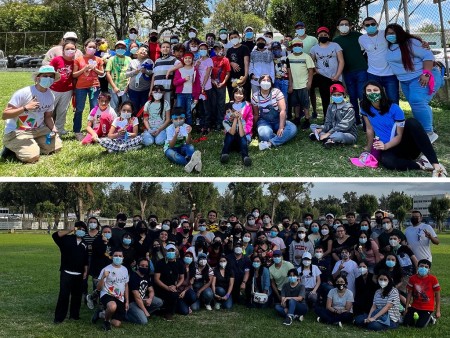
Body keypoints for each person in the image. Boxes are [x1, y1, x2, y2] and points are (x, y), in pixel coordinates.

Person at [360, 81, 447, 176]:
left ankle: (436, 165)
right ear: (365, 93)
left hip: (404, 146)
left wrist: (386, 146)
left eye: (375, 90)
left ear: (381, 91)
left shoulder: (394, 108)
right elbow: (369, 128)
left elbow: (399, 135)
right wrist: (369, 148)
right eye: (369, 90)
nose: (372, 93)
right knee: (387, 162)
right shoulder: (364, 107)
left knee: (411, 122)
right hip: (387, 147)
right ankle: (420, 164)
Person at [384, 23, 438, 141]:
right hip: (404, 80)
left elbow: (428, 56)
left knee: (417, 101)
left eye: (393, 33)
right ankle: (423, 129)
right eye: (388, 33)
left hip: (419, 77)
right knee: (417, 104)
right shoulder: (390, 46)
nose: (390, 36)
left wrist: (426, 74)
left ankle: (429, 133)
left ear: (400, 33)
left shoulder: (410, 42)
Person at [2, 64, 63, 162]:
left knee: (56, 148)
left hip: (38, 129)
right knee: (32, 157)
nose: (48, 78)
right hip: (18, 130)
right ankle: (10, 147)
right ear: (38, 78)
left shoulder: (50, 95)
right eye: (45, 76)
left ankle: (33, 143)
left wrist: (54, 129)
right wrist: (25, 108)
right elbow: (5, 115)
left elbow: (48, 116)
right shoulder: (24, 93)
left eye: (51, 76)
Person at [333, 17, 368, 126]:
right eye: (341, 24)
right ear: (338, 27)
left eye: (346, 24)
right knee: (352, 97)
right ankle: (356, 120)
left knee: (362, 96)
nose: (344, 26)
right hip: (347, 72)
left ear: (351, 26)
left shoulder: (358, 36)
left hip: (361, 69)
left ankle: (366, 121)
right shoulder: (336, 41)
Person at [52, 221, 88, 324]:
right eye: (78, 228)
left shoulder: (85, 243)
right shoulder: (66, 239)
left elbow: (85, 259)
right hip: (66, 272)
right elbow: (55, 235)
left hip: (79, 273)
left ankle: (74, 315)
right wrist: (70, 230)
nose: (80, 231)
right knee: (64, 295)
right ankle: (59, 318)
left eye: (82, 229)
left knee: (77, 296)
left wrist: (85, 270)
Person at [358, 17, 399, 104]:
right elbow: (363, 53)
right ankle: (377, 117)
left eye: (373, 24)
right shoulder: (361, 39)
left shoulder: (385, 33)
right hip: (373, 74)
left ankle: (396, 117)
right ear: (364, 27)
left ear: (377, 24)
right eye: (367, 25)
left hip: (390, 74)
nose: (370, 26)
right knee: (374, 100)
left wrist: (420, 40)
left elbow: (402, 37)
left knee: (393, 100)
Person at [252, 74, 297, 150]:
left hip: (278, 120)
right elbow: (256, 114)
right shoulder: (255, 96)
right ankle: (279, 138)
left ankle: (270, 143)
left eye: (268, 80)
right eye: (263, 80)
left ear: (271, 83)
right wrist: (253, 129)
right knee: (264, 134)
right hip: (264, 122)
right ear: (259, 83)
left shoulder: (276, 92)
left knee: (293, 128)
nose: (266, 82)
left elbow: (282, 110)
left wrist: (281, 127)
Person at [72, 38, 105, 140]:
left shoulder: (99, 60)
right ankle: (77, 131)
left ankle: (93, 130)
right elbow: (74, 74)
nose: (92, 49)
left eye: (94, 47)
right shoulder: (78, 59)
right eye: (90, 47)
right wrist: (84, 69)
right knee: (79, 109)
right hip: (81, 87)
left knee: (94, 109)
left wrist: (94, 68)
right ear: (85, 47)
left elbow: (102, 73)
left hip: (94, 87)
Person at [309, 26, 344, 120]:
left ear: (328, 35)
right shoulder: (314, 49)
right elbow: (311, 63)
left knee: (338, 98)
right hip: (322, 77)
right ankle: (327, 119)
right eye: (321, 35)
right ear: (318, 37)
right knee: (325, 99)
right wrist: (316, 70)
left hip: (336, 77)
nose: (323, 36)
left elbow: (341, 61)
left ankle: (341, 119)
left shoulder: (335, 45)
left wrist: (337, 75)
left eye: (325, 34)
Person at [94, 248, 129, 331]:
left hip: (120, 297)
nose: (118, 257)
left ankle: (101, 314)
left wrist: (127, 301)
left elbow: (126, 285)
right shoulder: (106, 269)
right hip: (107, 294)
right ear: (112, 257)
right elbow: (98, 288)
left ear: (123, 257)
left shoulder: (125, 269)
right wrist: (103, 277)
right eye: (116, 255)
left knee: (117, 323)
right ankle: (106, 322)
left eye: (120, 256)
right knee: (112, 306)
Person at [49, 40, 76, 135]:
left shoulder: (75, 62)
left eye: (72, 49)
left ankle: (59, 129)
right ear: (63, 50)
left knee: (62, 110)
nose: (70, 50)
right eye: (67, 49)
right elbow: (49, 72)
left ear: (75, 50)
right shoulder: (56, 60)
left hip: (67, 90)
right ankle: (47, 128)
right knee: (50, 110)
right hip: (54, 89)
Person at [163, 106, 202, 173]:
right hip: (171, 148)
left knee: (191, 147)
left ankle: (190, 162)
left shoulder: (186, 126)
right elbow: (171, 146)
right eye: (175, 119)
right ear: (172, 120)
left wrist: (189, 133)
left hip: (182, 146)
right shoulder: (169, 129)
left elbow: (188, 143)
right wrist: (175, 134)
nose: (178, 121)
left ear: (184, 118)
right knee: (172, 155)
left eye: (181, 118)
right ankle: (192, 163)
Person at [404, 259, 441, 328]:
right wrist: (406, 308)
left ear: (429, 269)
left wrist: (438, 311)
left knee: (420, 326)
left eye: (426, 267)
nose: (423, 268)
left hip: (427, 307)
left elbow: (437, 295)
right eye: (421, 266)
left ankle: (431, 319)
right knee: (406, 323)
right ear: (418, 267)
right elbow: (409, 294)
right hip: (415, 306)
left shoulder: (433, 279)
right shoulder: (412, 278)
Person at [125, 257, 163, 324]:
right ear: (137, 266)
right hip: (133, 302)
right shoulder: (133, 277)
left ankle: (141, 313)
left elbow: (151, 290)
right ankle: (125, 315)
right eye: (142, 265)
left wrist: (150, 299)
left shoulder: (146, 276)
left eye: (146, 266)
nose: (144, 267)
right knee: (143, 321)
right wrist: (145, 311)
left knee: (159, 302)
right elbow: (137, 297)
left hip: (142, 299)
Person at [287, 38, 314, 128]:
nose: (297, 47)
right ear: (292, 47)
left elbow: (310, 70)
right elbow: (289, 72)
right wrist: (290, 85)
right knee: (296, 104)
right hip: (294, 85)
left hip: (304, 85)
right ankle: (297, 118)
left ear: (302, 47)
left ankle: (307, 119)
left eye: (299, 46)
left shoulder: (307, 57)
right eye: (295, 46)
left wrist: (309, 83)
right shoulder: (289, 57)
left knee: (305, 104)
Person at [154, 244, 184, 320]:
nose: (170, 252)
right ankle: (165, 312)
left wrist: (176, 286)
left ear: (175, 252)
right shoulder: (160, 263)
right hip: (161, 287)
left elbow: (182, 278)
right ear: (165, 252)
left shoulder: (179, 263)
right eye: (169, 251)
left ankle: (169, 312)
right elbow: (156, 279)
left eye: (172, 251)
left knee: (174, 295)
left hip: (173, 287)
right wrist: (167, 287)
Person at [173, 52, 201, 126]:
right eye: (186, 58)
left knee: (189, 112)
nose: (187, 60)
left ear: (192, 60)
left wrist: (196, 97)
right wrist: (184, 79)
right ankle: (179, 127)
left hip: (191, 94)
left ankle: (188, 128)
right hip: (181, 94)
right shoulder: (179, 70)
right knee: (180, 111)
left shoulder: (195, 70)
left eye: (189, 58)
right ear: (183, 59)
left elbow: (198, 84)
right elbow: (175, 83)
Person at [151, 41, 181, 105]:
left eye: (167, 47)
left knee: (167, 106)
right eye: (163, 47)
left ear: (170, 49)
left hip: (167, 89)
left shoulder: (173, 59)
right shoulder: (157, 61)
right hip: (157, 90)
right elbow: (154, 76)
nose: (165, 48)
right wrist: (151, 90)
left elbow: (182, 64)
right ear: (160, 49)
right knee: (157, 106)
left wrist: (170, 70)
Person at [210, 42, 231, 131]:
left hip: (222, 85)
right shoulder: (211, 59)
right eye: (216, 49)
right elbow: (209, 72)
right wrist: (212, 80)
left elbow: (228, 73)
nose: (218, 50)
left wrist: (223, 82)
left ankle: (220, 122)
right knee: (213, 103)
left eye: (219, 49)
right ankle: (214, 122)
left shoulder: (225, 60)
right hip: (213, 84)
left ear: (222, 49)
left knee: (221, 104)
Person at [105, 40, 132, 110]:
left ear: (125, 49)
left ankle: (125, 120)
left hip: (125, 87)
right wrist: (114, 87)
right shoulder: (111, 59)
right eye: (118, 47)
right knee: (113, 107)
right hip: (113, 87)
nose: (120, 49)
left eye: (122, 48)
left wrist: (128, 86)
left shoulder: (129, 59)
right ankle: (114, 120)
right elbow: (107, 73)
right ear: (115, 49)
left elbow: (131, 73)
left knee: (126, 106)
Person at [126, 45, 153, 112]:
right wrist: (135, 71)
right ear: (137, 52)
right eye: (142, 50)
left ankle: (144, 120)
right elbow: (126, 74)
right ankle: (135, 120)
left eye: (146, 51)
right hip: (133, 90)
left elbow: (152, 73)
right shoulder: (132, 61)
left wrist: (146, 71)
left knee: (145, 107)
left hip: (145, 89)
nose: (144, 51)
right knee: (134, 106)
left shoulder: (149, 61)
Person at [226, 30, 250, 101]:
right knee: (233, 98)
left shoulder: (244, 48)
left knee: (245, 98)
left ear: (239, 37)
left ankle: (246, 112)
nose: (234, 39)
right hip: (232, 79)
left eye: (235, 37)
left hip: (242, 77)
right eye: (231, 38)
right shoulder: (229, 50)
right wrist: (231, 63)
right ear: (229, 39)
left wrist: (245, 76)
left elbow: (246, 62)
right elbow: (227, 62)